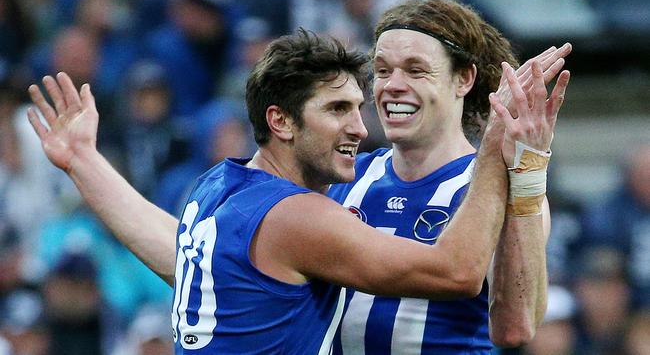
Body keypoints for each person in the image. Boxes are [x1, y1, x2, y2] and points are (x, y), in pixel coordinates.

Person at [28, 28, 560, 353]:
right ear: (280, 121)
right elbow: (457, 271)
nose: (359, 127)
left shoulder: (217, 186)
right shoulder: (298, 218)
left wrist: (82, 162)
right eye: (336, 110)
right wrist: (499, 150)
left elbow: (180, 258)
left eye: (357, 106)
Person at [326, 0, 572, 353]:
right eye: (382, 70)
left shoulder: (505, 188)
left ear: (464, 79)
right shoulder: (344, 177)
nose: (392, 84)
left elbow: (514, 328)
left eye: (415, 70)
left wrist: (527, 169)